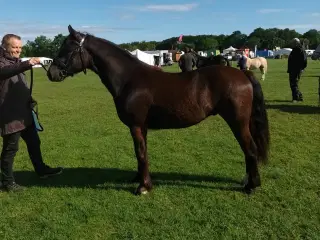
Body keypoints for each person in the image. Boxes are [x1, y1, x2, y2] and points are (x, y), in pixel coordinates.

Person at [0, 34, 63, 192]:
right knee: (10, 149)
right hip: (9, 115)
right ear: (4, 46)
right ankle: (7, 182)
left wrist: (29, 98)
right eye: (15, 47)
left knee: (34, 143)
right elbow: (5, 72)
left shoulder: (15, 62)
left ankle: (41, 170)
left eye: (20, 47)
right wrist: (27, 63)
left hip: (24, 113)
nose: (18, 50)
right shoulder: (3, 63)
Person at [287, 38, 307, 102]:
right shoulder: (295, 49)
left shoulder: (300, 50)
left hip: (296, 69)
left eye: (292, 43)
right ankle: (300, 96)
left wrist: (302, 68)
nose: (291, 44)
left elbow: (304, 60)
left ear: (296, 43)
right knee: (294, 83)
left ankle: (295, 98)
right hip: (293, 69)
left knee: (293, 84)